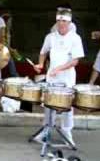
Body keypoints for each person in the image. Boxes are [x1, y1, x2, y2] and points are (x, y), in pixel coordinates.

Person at [33, 8, 84, 146]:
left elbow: (75, 61)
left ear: (69, 22)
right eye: (59, 20)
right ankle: (46, 130)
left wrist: (59, 68)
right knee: (49, 104)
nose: (61, 23)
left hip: (67, 77)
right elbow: (43, 52)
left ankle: (67, 132)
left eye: (64, 21)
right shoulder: (50, 37)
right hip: (52, 77)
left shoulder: (75, 38)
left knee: (67, 105)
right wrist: (41, 64)